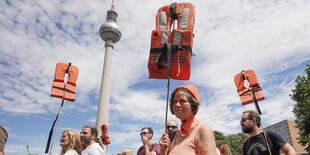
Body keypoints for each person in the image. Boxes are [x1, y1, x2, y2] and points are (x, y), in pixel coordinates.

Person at [159, 85, 217, 155]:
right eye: (174, 101)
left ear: (193, 104)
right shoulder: (176, 134)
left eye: (182, 101)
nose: (177, 104)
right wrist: (163, 151)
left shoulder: (203, 130)